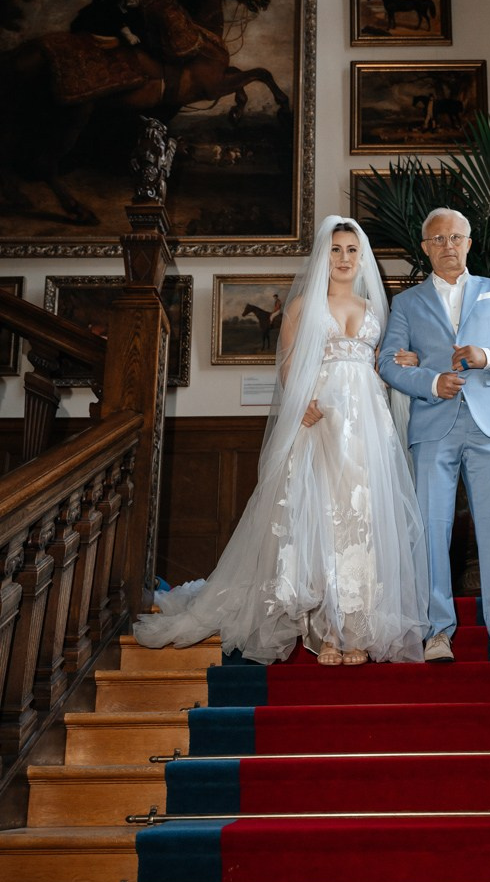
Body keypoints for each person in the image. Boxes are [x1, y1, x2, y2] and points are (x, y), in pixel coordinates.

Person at [135, 216, 428, 666]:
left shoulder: (376, 311)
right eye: (336, 250)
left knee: (363, 520)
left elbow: (380, 366)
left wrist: (402, 361)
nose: (344, 258)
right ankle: (327, 631)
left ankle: (358, 629)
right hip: (321, 420)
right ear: (322, 256)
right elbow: (289, 365)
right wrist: (302, 402)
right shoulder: (302, 308)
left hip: (369, 423)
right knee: (323, 522)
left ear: (362, 256)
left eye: (352, 250)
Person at [379, 207, 490, 663]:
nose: (448, 246)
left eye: (456, 237)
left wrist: (487, 356)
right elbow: (388, 362)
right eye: (438, 239)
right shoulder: (406, 303)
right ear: (425, 248)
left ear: (469, 243)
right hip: (434, 426)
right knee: (432, 529)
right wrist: (432, 383)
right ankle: (436, 631)